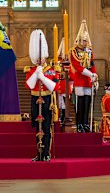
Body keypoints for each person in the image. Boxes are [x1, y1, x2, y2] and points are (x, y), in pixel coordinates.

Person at [24, 30, 59, 162]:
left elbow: (54, 87)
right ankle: (38, 152)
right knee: (37, 128)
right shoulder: (31, 70)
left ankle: (46, 153)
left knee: (46, 128)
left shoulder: (51, 70)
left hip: (47, 100)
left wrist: (42, 77)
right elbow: (29, 85)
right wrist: (36, 74)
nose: (40, 60)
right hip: (35, 100)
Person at [69, 20, 98, 132]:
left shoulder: (89, 52)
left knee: (87, 103)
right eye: (84, 40)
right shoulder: (74, 52)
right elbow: (77, 66)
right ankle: (79, 123)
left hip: (88, 81)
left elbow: (92, 64)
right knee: (80, 104)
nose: (86, 43)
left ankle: (86, 123)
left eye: (86, 41)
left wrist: (95, 76)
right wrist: (90, 74)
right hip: (80, 80)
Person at [56, 38, 73, 125]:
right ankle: (60, 118)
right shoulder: (57, 65)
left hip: (65, 88)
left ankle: (64, 118)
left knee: (64, 105)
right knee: (59, 104)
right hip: (59, 87)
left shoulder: (69, 66)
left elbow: (72, 77)